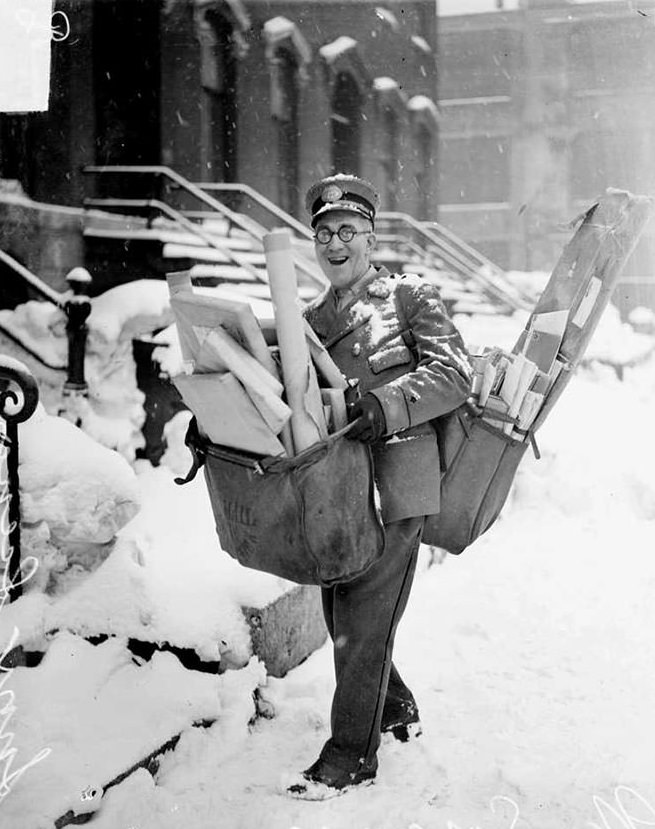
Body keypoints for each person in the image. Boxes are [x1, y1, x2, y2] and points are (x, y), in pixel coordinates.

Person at [285, 174, 472, 800]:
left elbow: (454, 373)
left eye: (347, 231)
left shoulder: (409, 297)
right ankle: (393, 708)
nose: (335, 244)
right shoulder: (307, 321)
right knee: (341, 612)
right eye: (323, 234)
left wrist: (386, 405)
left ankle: (349, 756)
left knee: (363, 621)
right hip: (337, 493)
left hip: (398, 484)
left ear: (370, 237)